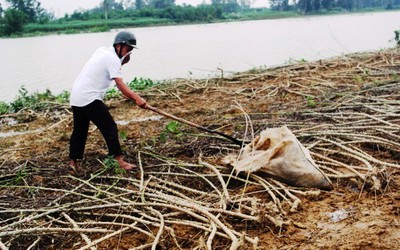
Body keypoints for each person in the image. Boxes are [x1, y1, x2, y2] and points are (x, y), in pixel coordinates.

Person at [69, 30, 147, 172]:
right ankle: (119, 161)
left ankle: (73, 163)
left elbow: (108, 70)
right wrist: (138, 99)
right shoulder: (112, 58)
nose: (129, 53)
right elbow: (120, 84)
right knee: (109, 127)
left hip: (76, 96)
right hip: (89, 97)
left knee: (79, 130)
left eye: (131, 50)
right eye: (128, 49)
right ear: (119, 46)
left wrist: (123, 60)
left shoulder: (103, 51)